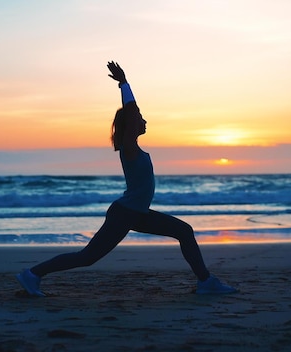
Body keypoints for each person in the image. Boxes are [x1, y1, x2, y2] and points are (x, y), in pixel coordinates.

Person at [16, 61, 238, 296]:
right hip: (125, 213)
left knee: (184, 231)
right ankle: (32, 274)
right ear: (131, 125)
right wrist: (124, 83)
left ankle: (205, 282)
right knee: (87, 257)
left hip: (137, 213)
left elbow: (132, 116)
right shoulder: (129, 148)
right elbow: (131, 112)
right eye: (141, 118)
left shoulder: (134, 149)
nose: (144, 121)